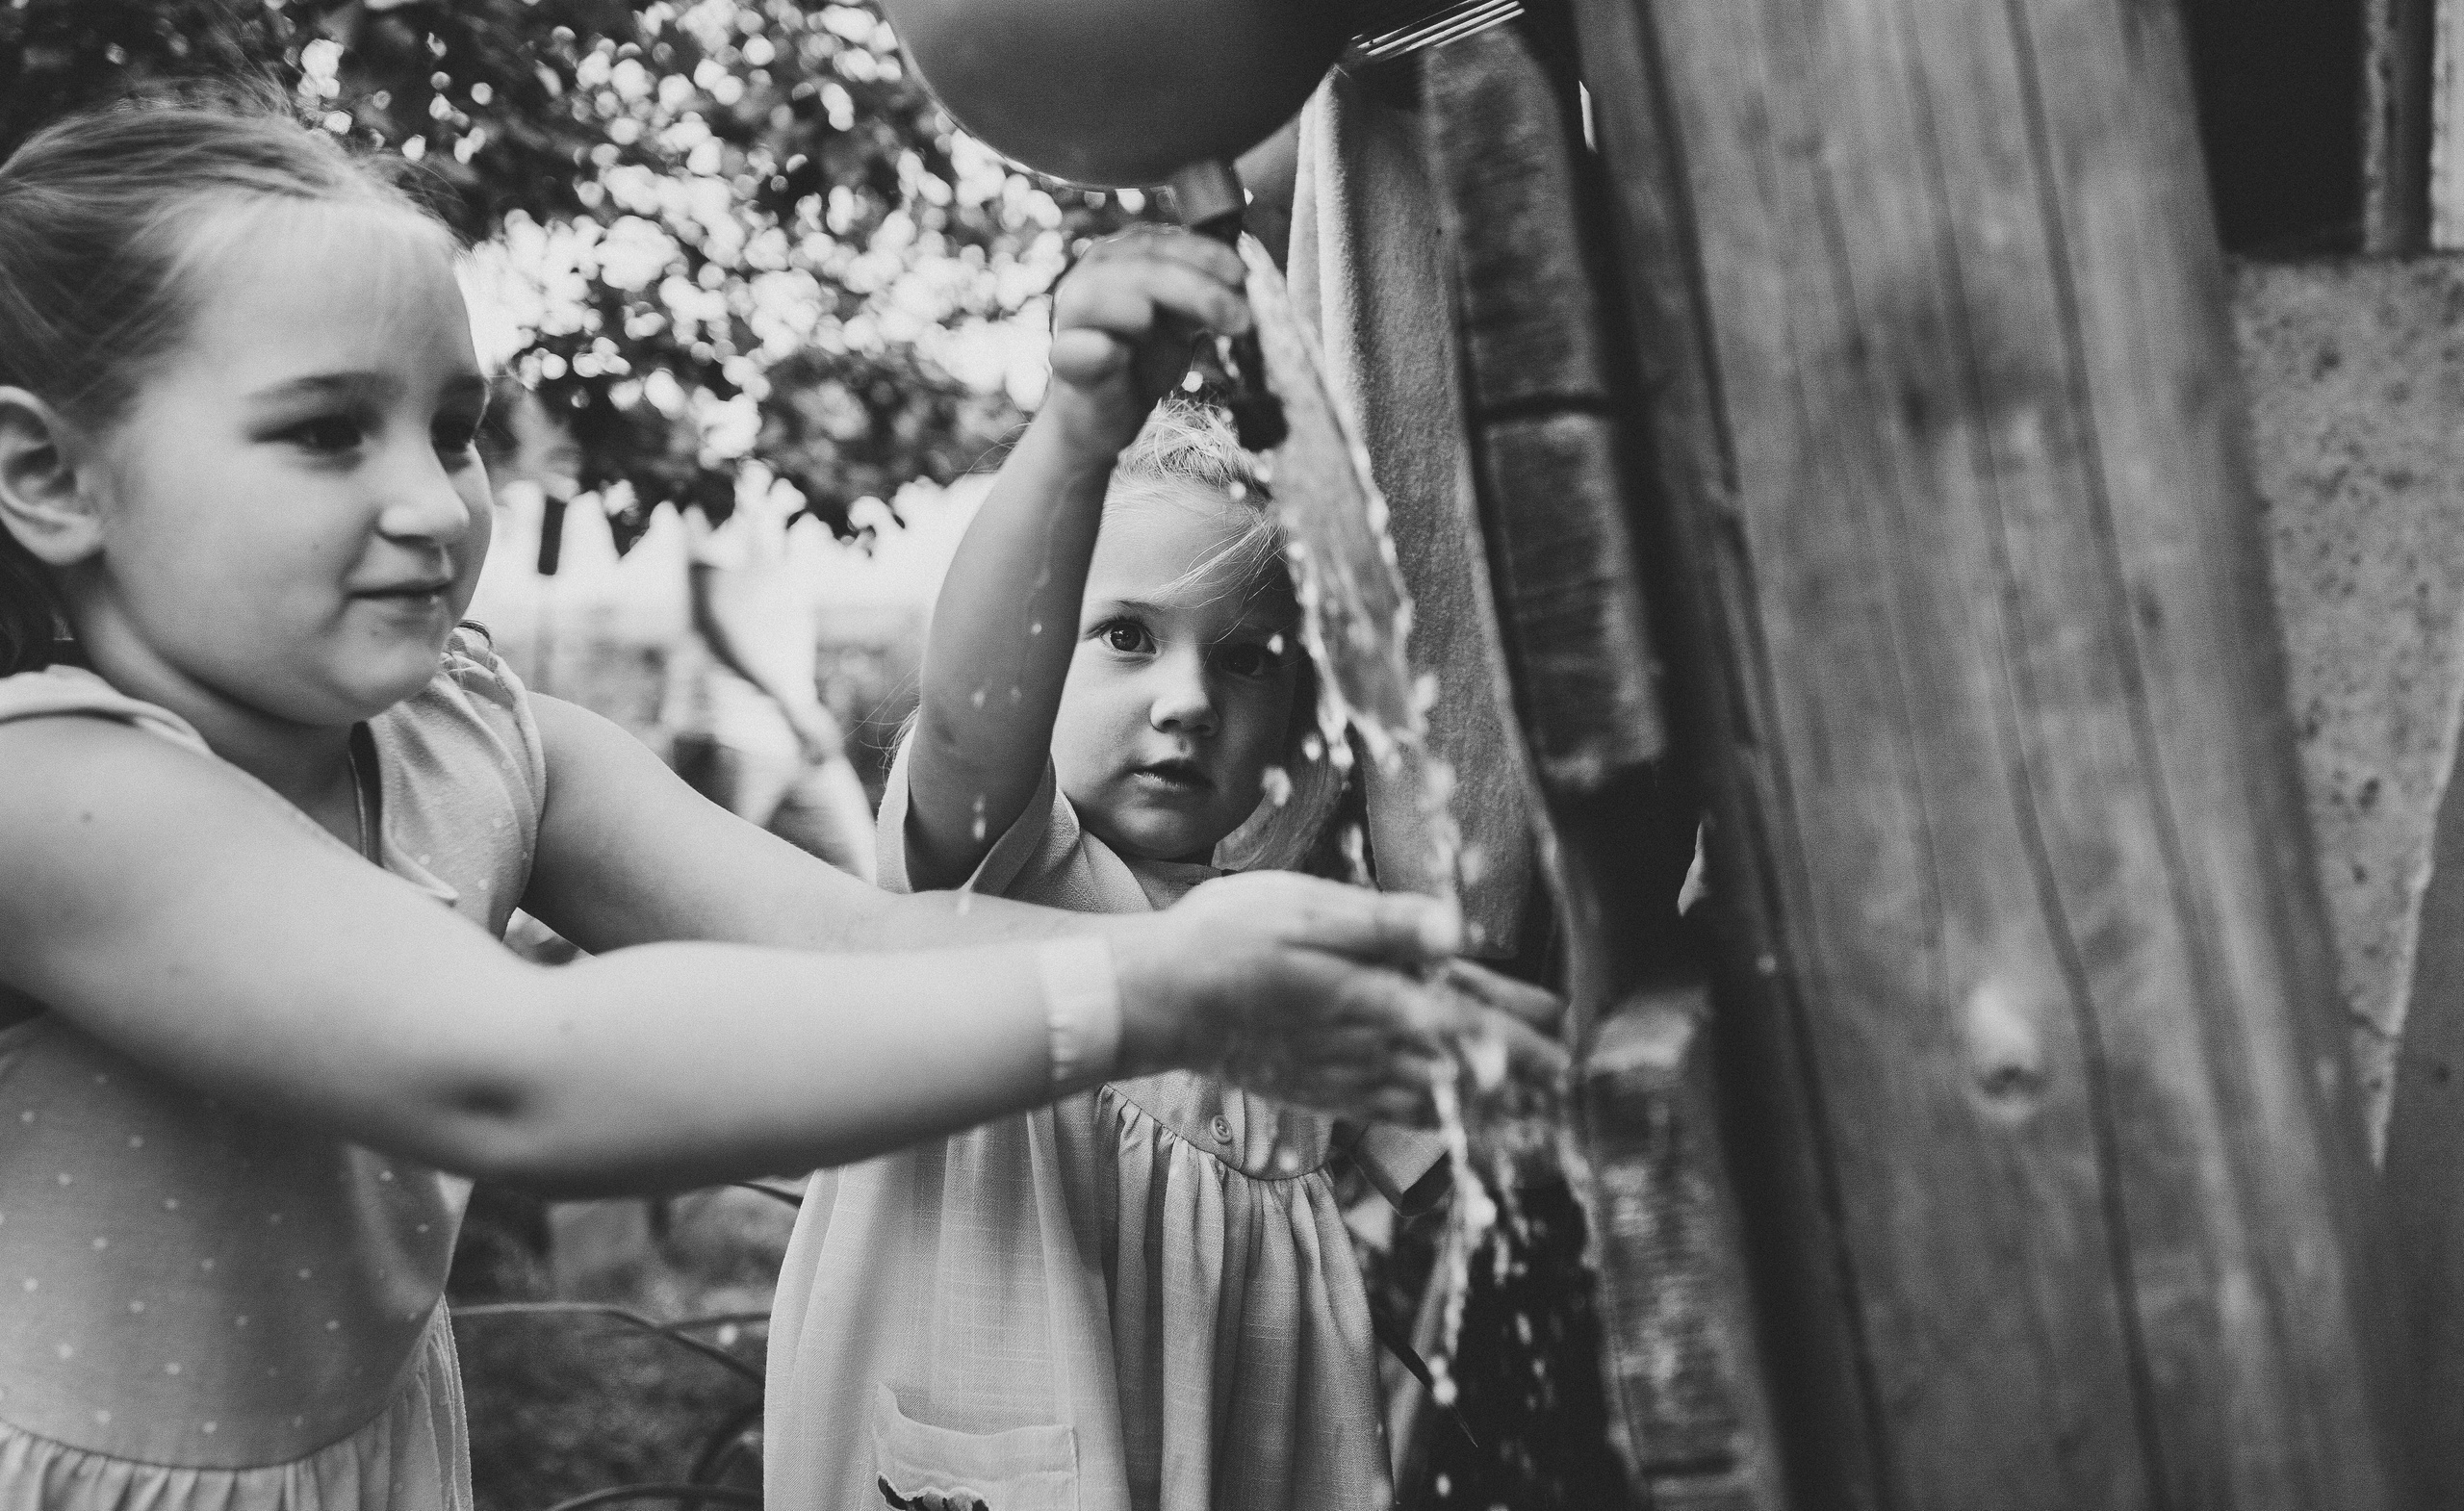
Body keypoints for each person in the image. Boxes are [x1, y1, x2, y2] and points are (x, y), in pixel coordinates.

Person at [0, 95, 1554, 1511]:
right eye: (328, 430)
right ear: (50, 475)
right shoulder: (54, 791)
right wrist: (1149, 989)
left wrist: (1270, 983)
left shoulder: (481, 740)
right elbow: (515, 1072)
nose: (433, 504)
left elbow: (856, 940)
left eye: (457, 429)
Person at [767, 228, 1506, 1511]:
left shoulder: (1285, 934)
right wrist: (1073, 434)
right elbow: (970, 709)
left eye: (1246, 655)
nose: (1186, 699)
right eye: (1123, 635)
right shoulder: (1012, 883)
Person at [674, 465, 878, 880]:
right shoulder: (721, 492)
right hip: (730, 731)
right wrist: (796, 707)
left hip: (796, 732)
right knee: (711, 886)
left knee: (864, 873)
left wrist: (807, 704)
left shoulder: (796, 496)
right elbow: (711, 616)